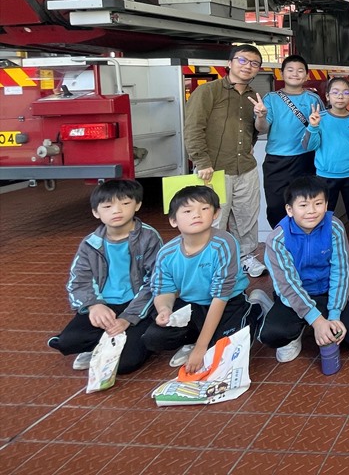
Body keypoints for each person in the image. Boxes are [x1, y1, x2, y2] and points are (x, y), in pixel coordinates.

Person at [143, 186, 271, 373]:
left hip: (227, 302)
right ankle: (195, 338)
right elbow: (164, 290)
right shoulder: (167, 253)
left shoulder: (224, 243)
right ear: (173, 220)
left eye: (204, 208)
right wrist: (165, 309)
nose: (196, 215)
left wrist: (201, 348)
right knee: (154, 338)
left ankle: (255, 310)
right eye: (187, 211)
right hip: (192, 305)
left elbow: (220, 297)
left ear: (216, 213)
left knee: (226, 351)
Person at [47, 179, 162, 374]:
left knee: (126, 364)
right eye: (107, 206)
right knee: (68, 342)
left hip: (137, 305)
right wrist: (94, 305)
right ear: (96, 212)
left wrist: (128, 318)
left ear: (137, 205)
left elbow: (156, 282)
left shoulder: (149, 238)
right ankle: (101, 343)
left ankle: (120, 341)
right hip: (104, 304)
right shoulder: (90, 243)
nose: (117, 211)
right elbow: (78, 281)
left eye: (125, 203)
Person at [259, 176, 349, 364]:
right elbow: (289, 285)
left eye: (318, 203)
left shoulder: (334, 227)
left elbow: (341, 273)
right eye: (303, 205)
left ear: (326, 205)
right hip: (296, 294)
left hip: (328, 292)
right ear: (289, 209)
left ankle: (321, 318)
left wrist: (334, 315)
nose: (311, 211)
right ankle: (295, 328)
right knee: (273, 335)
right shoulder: (277, 239)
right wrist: (317, 321)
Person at [183, 43, 266, 277]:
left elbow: (256, 130)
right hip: (213, 169)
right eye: (242, 60)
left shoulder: (253, 97)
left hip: (245, 168)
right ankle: (212, 263)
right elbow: (193, 128)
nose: (248, 66)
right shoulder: (208, 91)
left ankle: (246, 257)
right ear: (229, 63)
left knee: (247, 217)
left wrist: (261, 116)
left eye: (254, 63)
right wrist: (202, 161)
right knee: (213, 219)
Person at [305, 76, 349, 268]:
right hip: (325, 177)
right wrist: (313, 127)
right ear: (327, 96)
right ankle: (323, 250)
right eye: (335, 92)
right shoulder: (320, 118)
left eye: (345, 92)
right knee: (324, 215)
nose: (340, 96)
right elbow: (309, 145)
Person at [253, 54, 321, 228]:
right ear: (282, 74)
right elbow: (262, 128)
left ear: (307, 75)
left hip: (306, 159)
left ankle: (304, 237)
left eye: (300, 71)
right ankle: (281, 237)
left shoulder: (313, 99)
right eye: (290, 70)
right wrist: (261, 116)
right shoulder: (270, 99)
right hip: (277, 161)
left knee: (306, 205)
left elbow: (321, 129)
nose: (295, 74)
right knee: (276, 206)